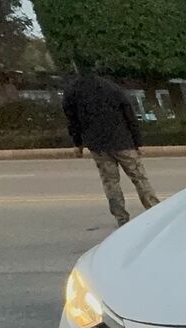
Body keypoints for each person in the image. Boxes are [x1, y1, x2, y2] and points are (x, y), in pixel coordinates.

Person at [63, 69, 160, 226]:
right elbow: (130, 116)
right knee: (139, 177)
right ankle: (154, 210)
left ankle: (121, 217)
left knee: (110, 182)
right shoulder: (112, 88)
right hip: (123, 141)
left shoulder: (72, 91)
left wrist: (77, 144)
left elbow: (73, 121)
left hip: (98, 145)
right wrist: (138, 142)